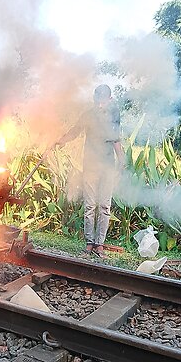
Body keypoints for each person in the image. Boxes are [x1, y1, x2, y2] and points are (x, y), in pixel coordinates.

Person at [56, 84, 124, 255]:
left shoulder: (114, 116)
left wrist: (122, 161)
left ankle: (99, 244)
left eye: (103, 101)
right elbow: (75, 131)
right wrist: (60, 141)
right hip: (91, 166)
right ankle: (89, 243)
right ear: (94, 99)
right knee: (90, 205)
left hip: (107, 166)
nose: (100, 104)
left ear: (110, 100)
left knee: (104, 206)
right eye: (97, 100)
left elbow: (116, 140)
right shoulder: (88, 115)